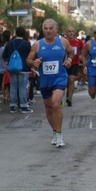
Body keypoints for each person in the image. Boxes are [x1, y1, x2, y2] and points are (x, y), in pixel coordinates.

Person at [27, 18, 74, 147]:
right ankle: (54, 131)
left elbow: (71, 52)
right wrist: (34, 62)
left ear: (56, 30)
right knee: (48, 108)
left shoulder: (62, 42)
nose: (48, 31)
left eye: (50, 28)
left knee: (55, 105)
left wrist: (69, 59)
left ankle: (59, 136)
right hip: (45, 80)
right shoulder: (37, 45)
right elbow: (28, 60)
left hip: (60, 77)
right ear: (43, 30)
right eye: (46, 29)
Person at [3, 26, 33, 113]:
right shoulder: (26, 44)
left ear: (15, 33)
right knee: (22, 87)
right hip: (24, 68)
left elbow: (5, 56)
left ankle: (12, 106)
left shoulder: (10, 43)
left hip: (12, 68)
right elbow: (30, 56)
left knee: (13, 87)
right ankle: (23, 106)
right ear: (24, 34)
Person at [64, 26, 83, 106]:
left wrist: (81, 57)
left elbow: (82, 51)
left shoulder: (78, 41)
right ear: (66, 32)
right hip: (64, 64)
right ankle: (66, 93)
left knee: (71, 80)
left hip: (74, 63)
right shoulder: (63, 41)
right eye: (69, 31)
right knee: (65, 82)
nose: (71, 33)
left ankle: (69, 97)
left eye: (72, 31)